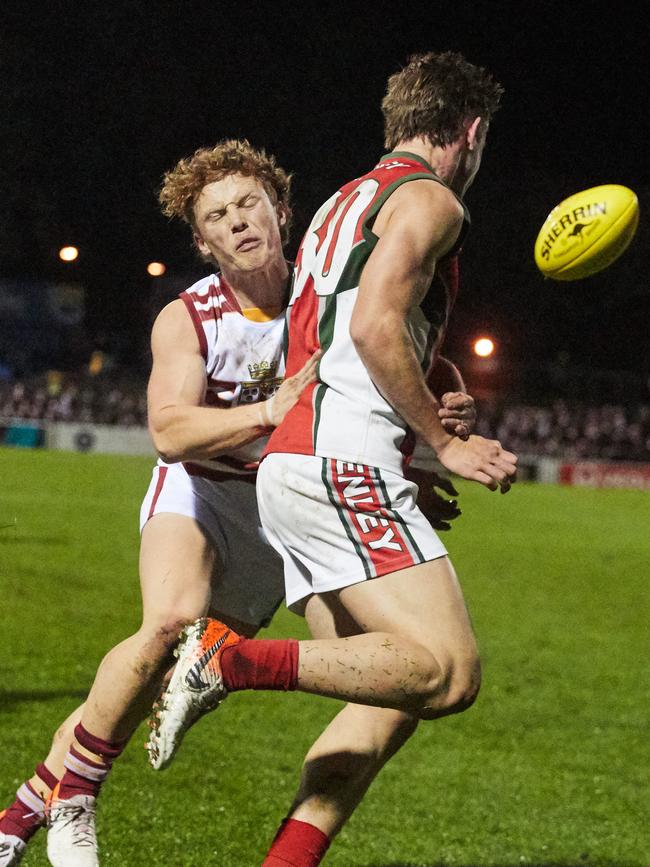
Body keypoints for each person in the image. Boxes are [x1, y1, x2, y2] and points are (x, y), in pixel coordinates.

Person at [0, 137, 474, 867]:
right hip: (201, 491)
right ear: (202, 238)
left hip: (290, 510)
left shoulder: (324, 292)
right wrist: (266, 412)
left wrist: (436, 413)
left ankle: (21, 818)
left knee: (399, 679)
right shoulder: (189, 317)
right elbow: (169, 430)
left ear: (283, 211)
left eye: (249, 203)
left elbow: (387, 356)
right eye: (218, 215)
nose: (239, 222)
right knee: (168, 623)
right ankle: (72, 804)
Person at [152, 51, 517, 866]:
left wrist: (411, 435)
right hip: (340, 465)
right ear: (471, 130)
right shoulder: (431, 199)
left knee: (388, 695)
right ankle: (228, 659)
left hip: (303, 463)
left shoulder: (337, 205)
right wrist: (446, 442)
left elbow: (331, 346)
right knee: (449, 674)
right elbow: (373, 329)